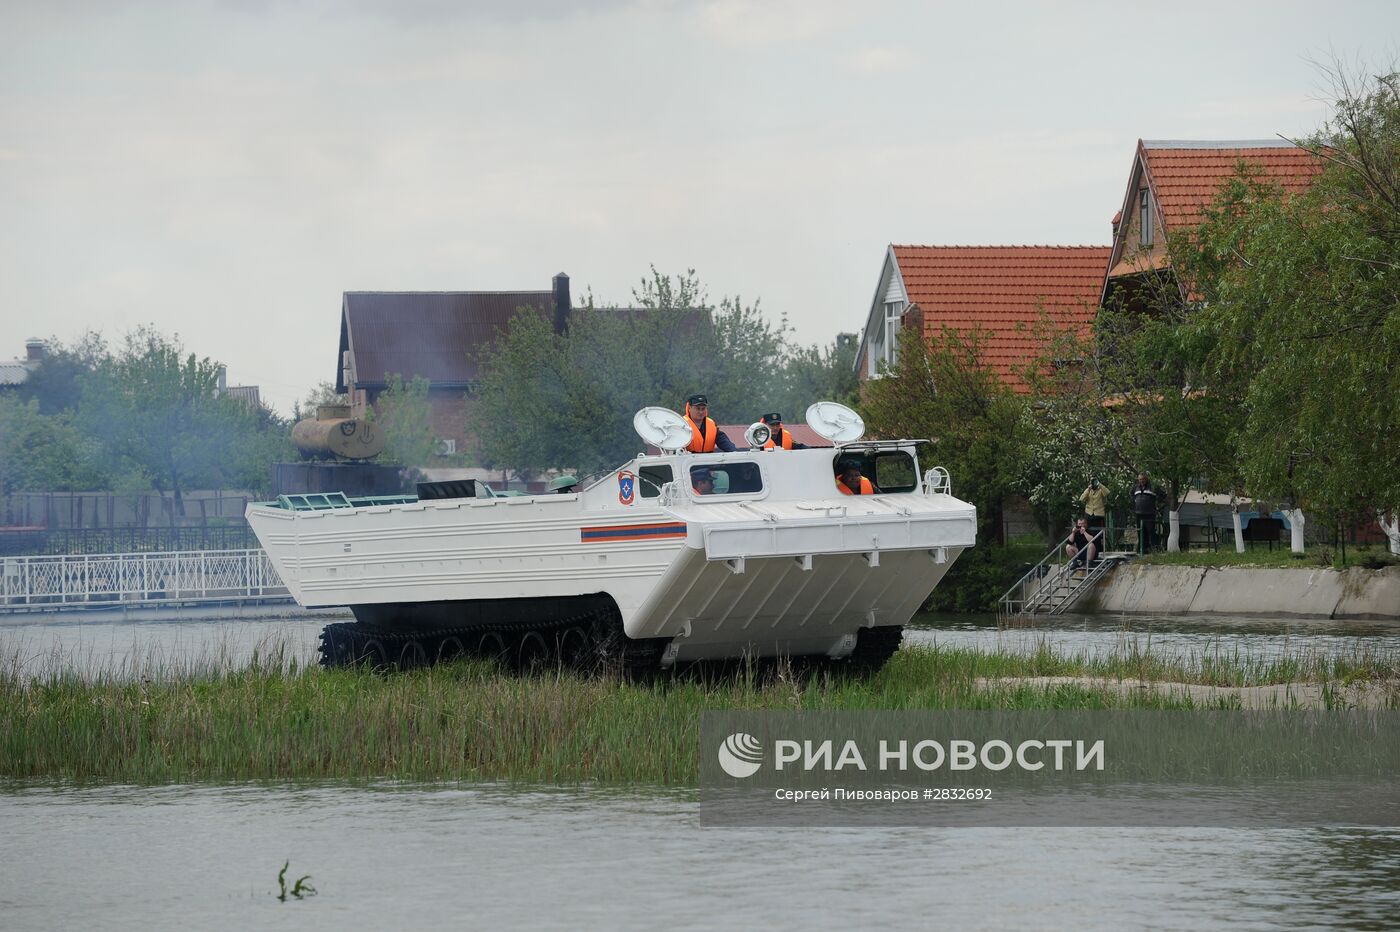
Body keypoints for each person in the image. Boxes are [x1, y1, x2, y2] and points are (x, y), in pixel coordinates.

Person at [1131, 473, 1158, 553]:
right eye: (1140, 479)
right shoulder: (1136, 488)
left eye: (1143, 479)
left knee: (1151, 532)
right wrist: (1135, 500)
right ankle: (1142, 549)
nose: (1141, 481)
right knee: (1140, 532)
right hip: (1139, 513)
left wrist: (1154, 503)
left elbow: (1161, 495)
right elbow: (1131, 494)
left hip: (1149, 513)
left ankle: (1153, 549)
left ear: (1146, 479)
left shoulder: (1152, 487)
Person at [1078, 478, 1109, 547]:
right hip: (1089, 514)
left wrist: (1099, 484)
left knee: (1099, 533)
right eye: (1092, 482)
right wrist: (1088, 489)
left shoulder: (1101, 490)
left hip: (1099, 515)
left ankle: (1100, 548)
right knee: (1088, 531)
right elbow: (1081, 499)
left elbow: (1107, 493)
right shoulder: (1088, 491)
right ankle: (1087, 546)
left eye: (1094, 482)